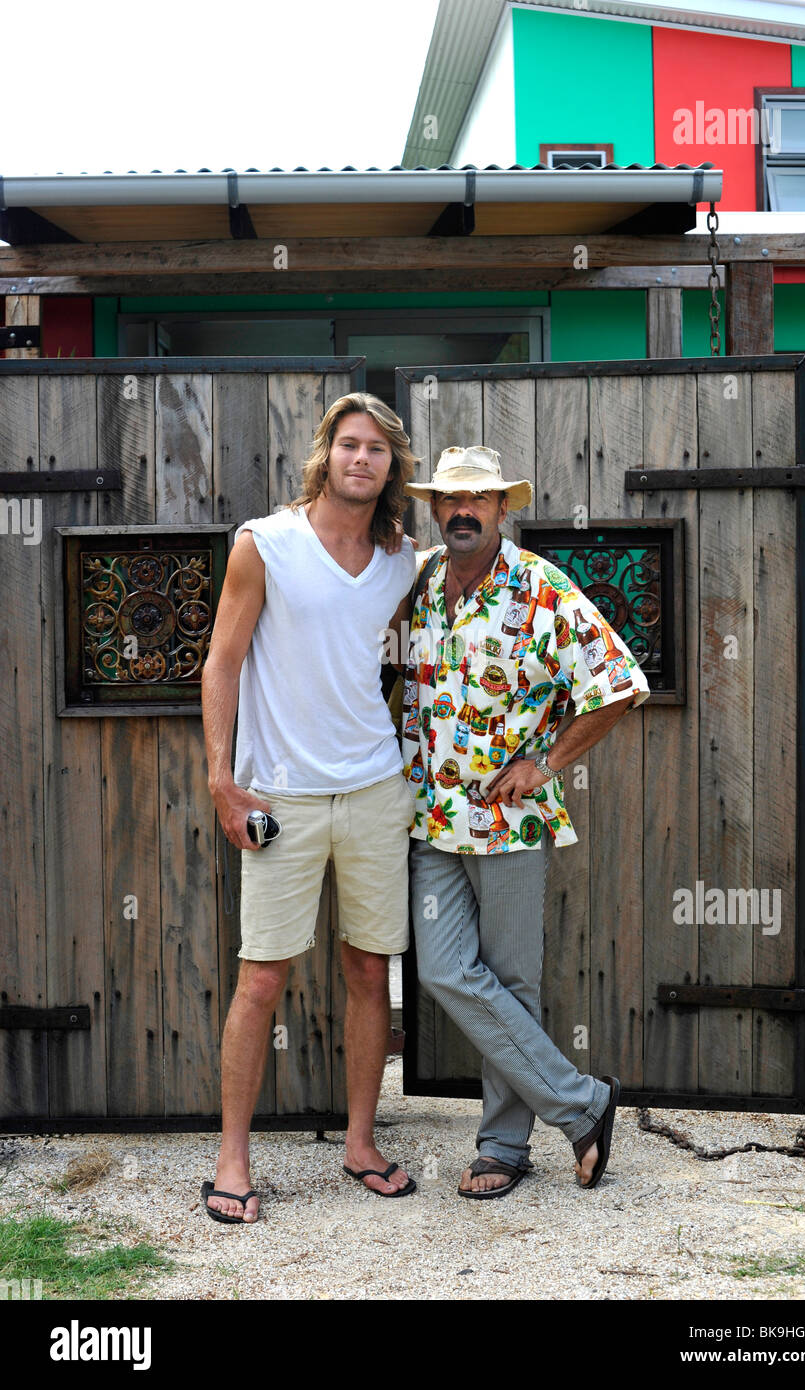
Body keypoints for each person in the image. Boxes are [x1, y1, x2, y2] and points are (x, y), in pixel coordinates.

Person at [402, 445, 651, 1198]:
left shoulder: (540, 587)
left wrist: (544, 763)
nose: (463, 510)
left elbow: (617, 684)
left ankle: (503, 1148)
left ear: (503, 507)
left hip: (508, 819)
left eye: (479, 498)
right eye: (450, 499)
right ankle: (582, 1104)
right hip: (430, 813)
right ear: (434, 509)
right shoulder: (421, 581)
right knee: (444, 970)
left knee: (511, 982)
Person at [200, 391, 421, 1222]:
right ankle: (231, 1160)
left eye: (377, 450)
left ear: (391, 467)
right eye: (349, 445)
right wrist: (223, 780)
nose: (361, 459)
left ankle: (361, 1144)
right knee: (262, 979)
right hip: (280, 794)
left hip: (372, 788)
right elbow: (221, 664)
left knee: (370, 970)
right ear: (325, 453)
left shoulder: (402, 559)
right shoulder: (265, 544)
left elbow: (389, 664)